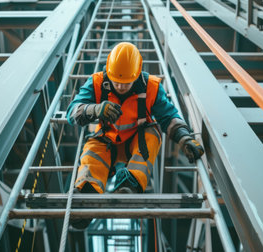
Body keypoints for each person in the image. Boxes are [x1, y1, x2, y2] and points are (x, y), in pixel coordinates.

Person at [66, 42, 204, 228]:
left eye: (126, 83)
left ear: (138, 74)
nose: (121, 87)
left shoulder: (151, 87)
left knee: (152, 134)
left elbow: (169, 116)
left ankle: (129, 186)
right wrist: (95, 109)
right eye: (116, 82)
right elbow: (72, 113)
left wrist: (185, 138)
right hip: (107, 139)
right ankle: (86, 193)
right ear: (108, 72)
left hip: (137, 142)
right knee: (92, 151)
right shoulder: (97, 83)